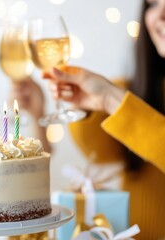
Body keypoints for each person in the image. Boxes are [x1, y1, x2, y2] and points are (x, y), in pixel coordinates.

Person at [11, 0, 165, 239]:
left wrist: (111, 100)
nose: (160, 15)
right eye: (153, 3)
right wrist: (43, 112)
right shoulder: (135, 91)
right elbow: (97, 152)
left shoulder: (121, 97)